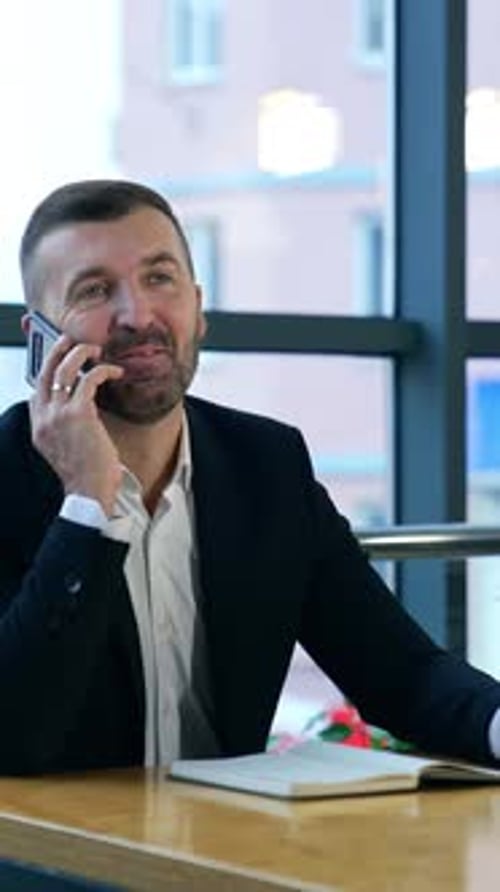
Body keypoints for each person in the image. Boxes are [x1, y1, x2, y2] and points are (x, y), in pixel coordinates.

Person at [1, 179, 500, 776]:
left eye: (160, 278)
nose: (138, 315)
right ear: (40, 339)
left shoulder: (267, 464)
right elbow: (13, 736)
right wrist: (86, 505)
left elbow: (401, 671)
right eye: (95, 290)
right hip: (54, 862)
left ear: (198, 306)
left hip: (227, 850)